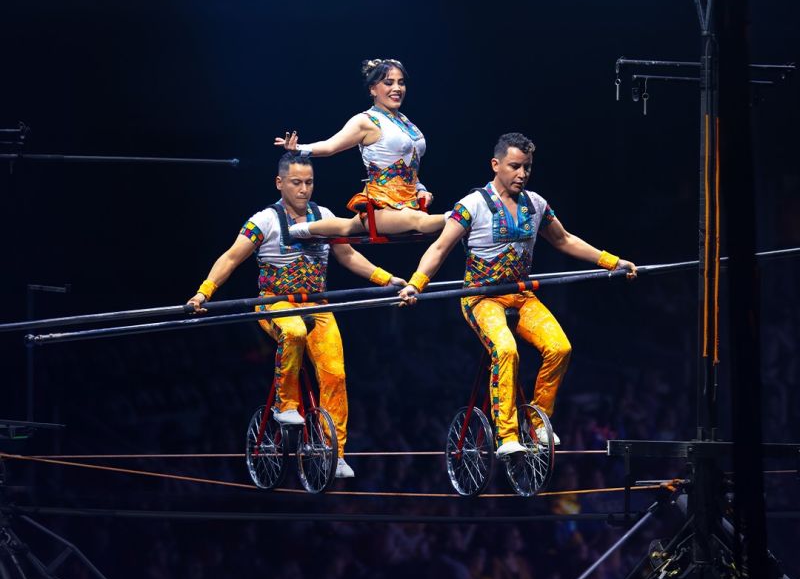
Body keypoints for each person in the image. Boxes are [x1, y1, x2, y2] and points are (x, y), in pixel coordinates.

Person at [399, 133, 636, 454]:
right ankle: (507, 435)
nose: (522, 174)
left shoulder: (536, 204)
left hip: (521, 296)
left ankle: (537, 423)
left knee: (560, 348)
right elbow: (439, 248)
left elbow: (565, 240)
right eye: (514, 166)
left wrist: (612, 262)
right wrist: (416, 283)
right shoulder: (471, 206)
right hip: (481, 298)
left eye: (527, 167)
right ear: (496, 165)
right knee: (506, 350)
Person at [187, 152, 405, 478]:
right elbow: (231, 258)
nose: (304, 189)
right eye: (296, 183)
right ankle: (285, 405)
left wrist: (387, 279)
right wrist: (204, 292)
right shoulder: (263, 221)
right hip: (275, 304)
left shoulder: (324, 216)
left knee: (336, 373)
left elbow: (348, 255)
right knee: (294, 333)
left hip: (317, 306)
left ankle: (335, 453)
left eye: (309, 182)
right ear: (280, 183)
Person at [274, 58, 446, 238]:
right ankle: (459, 216)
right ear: (373, 89)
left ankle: (303, 229)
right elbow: (331, 146)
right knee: (418, 220)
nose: (397, 88)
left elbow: (409, 165)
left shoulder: (405, 121)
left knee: (348, 227)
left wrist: (420, 188)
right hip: (382, 205)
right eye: (389, 83)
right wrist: (299, 149)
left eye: (401, 83)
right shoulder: (365, 121)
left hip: (409, 201)